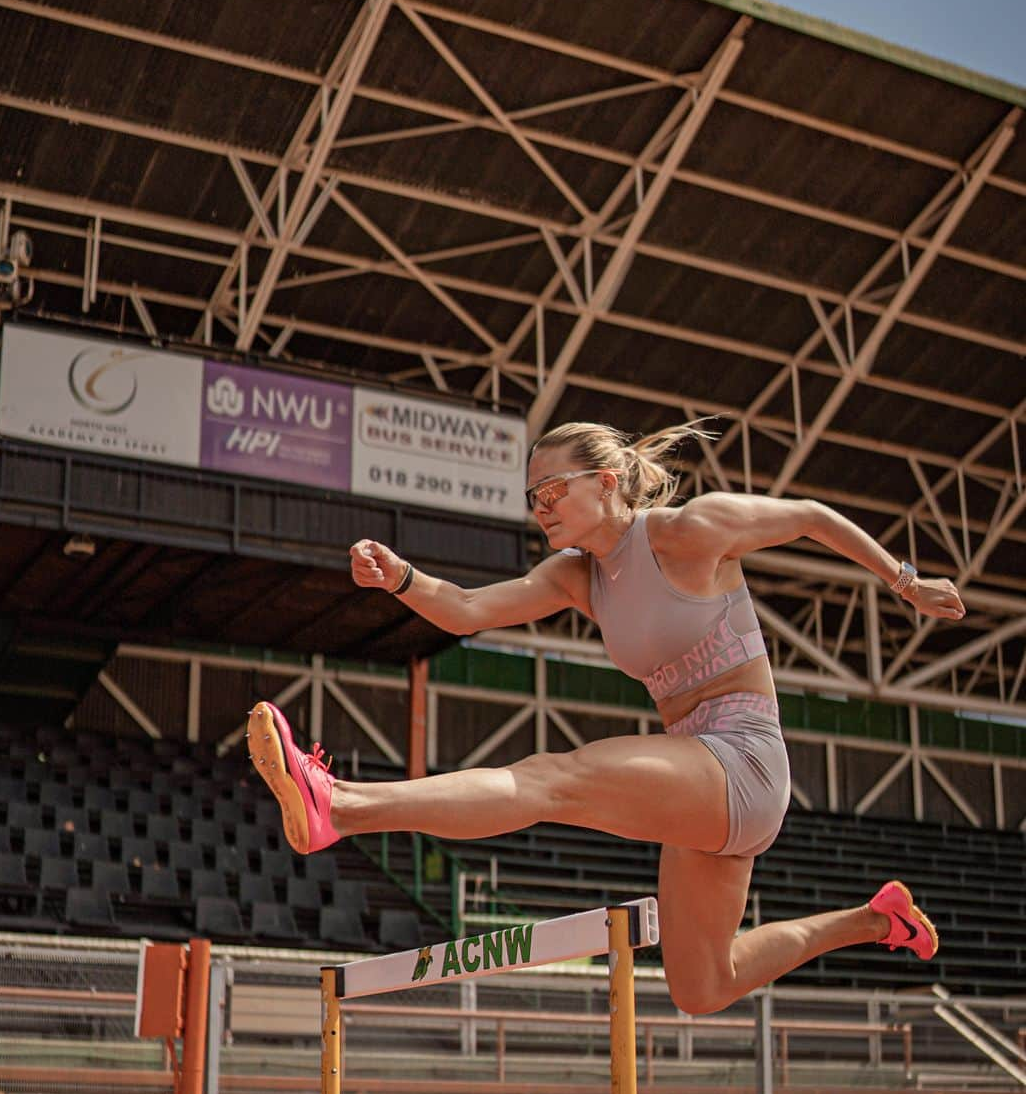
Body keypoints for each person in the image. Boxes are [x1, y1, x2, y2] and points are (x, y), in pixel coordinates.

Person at [246, 421, 966, 1015]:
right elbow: (468, 609)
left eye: (555, 489)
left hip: (744, 757)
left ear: (608, 481)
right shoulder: (575, 576)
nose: (543, 507)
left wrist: (906, 582)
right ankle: (876, 919)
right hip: (697, 771)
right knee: (701, 985)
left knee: (555, 779)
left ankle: (337, 804)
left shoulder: (688, 531)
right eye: (533, 498)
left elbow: (808, 517)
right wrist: (400, 576)